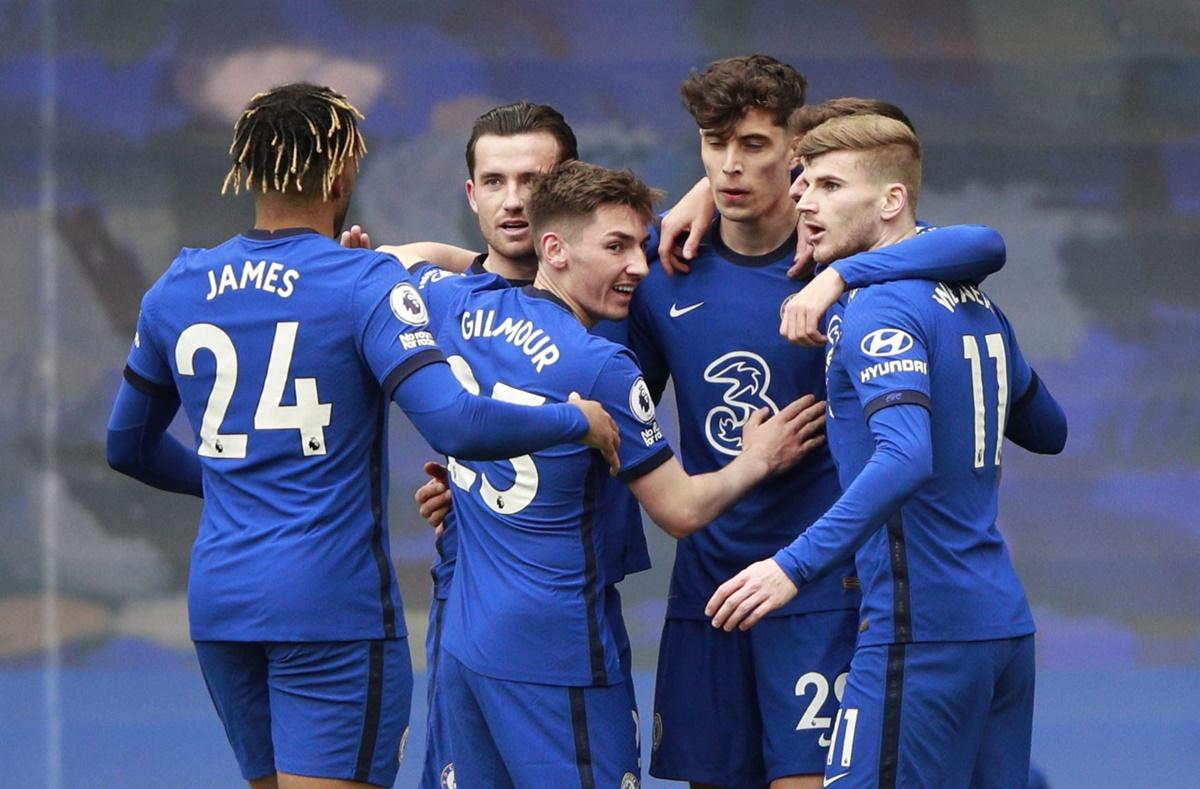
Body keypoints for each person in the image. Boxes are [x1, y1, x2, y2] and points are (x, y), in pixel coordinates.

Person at [104, 83, 620, 789]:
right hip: (331, 605)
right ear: (346, 173)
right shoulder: (364, 282)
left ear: (248, 170)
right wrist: (577, 420)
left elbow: (126, 446)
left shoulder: (177, 285)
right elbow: (454, 423)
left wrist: (236, 476)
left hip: (222, 603)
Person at [627, 58, 1009, 789]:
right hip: (710, 590)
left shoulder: (851, 257)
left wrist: (841, 275)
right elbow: (601, 387)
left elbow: (983, 244)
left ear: (796, 155)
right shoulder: (665, 262)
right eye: (715, 145)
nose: (732, 167)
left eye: (755, 146)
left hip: (824, 594)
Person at [401, 159, 825, 787]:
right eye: (617, 246)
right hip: (559, 647)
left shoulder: (451, 301)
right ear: (554, 249)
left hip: (466, 640)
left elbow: (391, 258)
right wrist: (757, 459)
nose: (639, 266)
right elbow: (679, 510)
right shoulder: (604, 367)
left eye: (639, 245)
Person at [705, 114, 1068, 788]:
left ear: (891, 201)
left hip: (919, 634)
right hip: (1002, 634)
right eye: (802, 183)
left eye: (829, 185)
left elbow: (905, 456)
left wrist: (791, 566)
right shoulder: (978, 306)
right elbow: (1048, 428)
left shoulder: (875, 306)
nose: (804, 201)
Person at [343, 100, 656, 789]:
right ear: (471, 192)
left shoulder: (625, 282)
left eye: (533, 181)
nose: (514, 201)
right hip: (467, 598)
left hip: (574, 611)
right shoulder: (441, 297)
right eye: (494, 181)